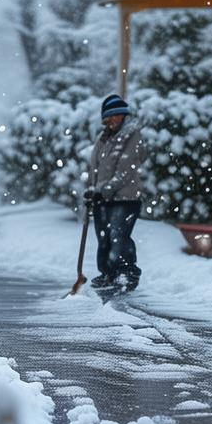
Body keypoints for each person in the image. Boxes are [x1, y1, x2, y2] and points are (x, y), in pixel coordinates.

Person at [84, 94, 148, 295]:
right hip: (103, 196)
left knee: (118, 235)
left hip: (126, 197)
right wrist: (91, 189)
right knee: (104, 237)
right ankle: (108, 273)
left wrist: (106, 189)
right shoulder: (103, 139)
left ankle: (127, 273)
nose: (112, 120)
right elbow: (94, 167)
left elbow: (125, 168)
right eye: (108, 117)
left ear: (124, 116)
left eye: (116, 115)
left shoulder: (132, 135)